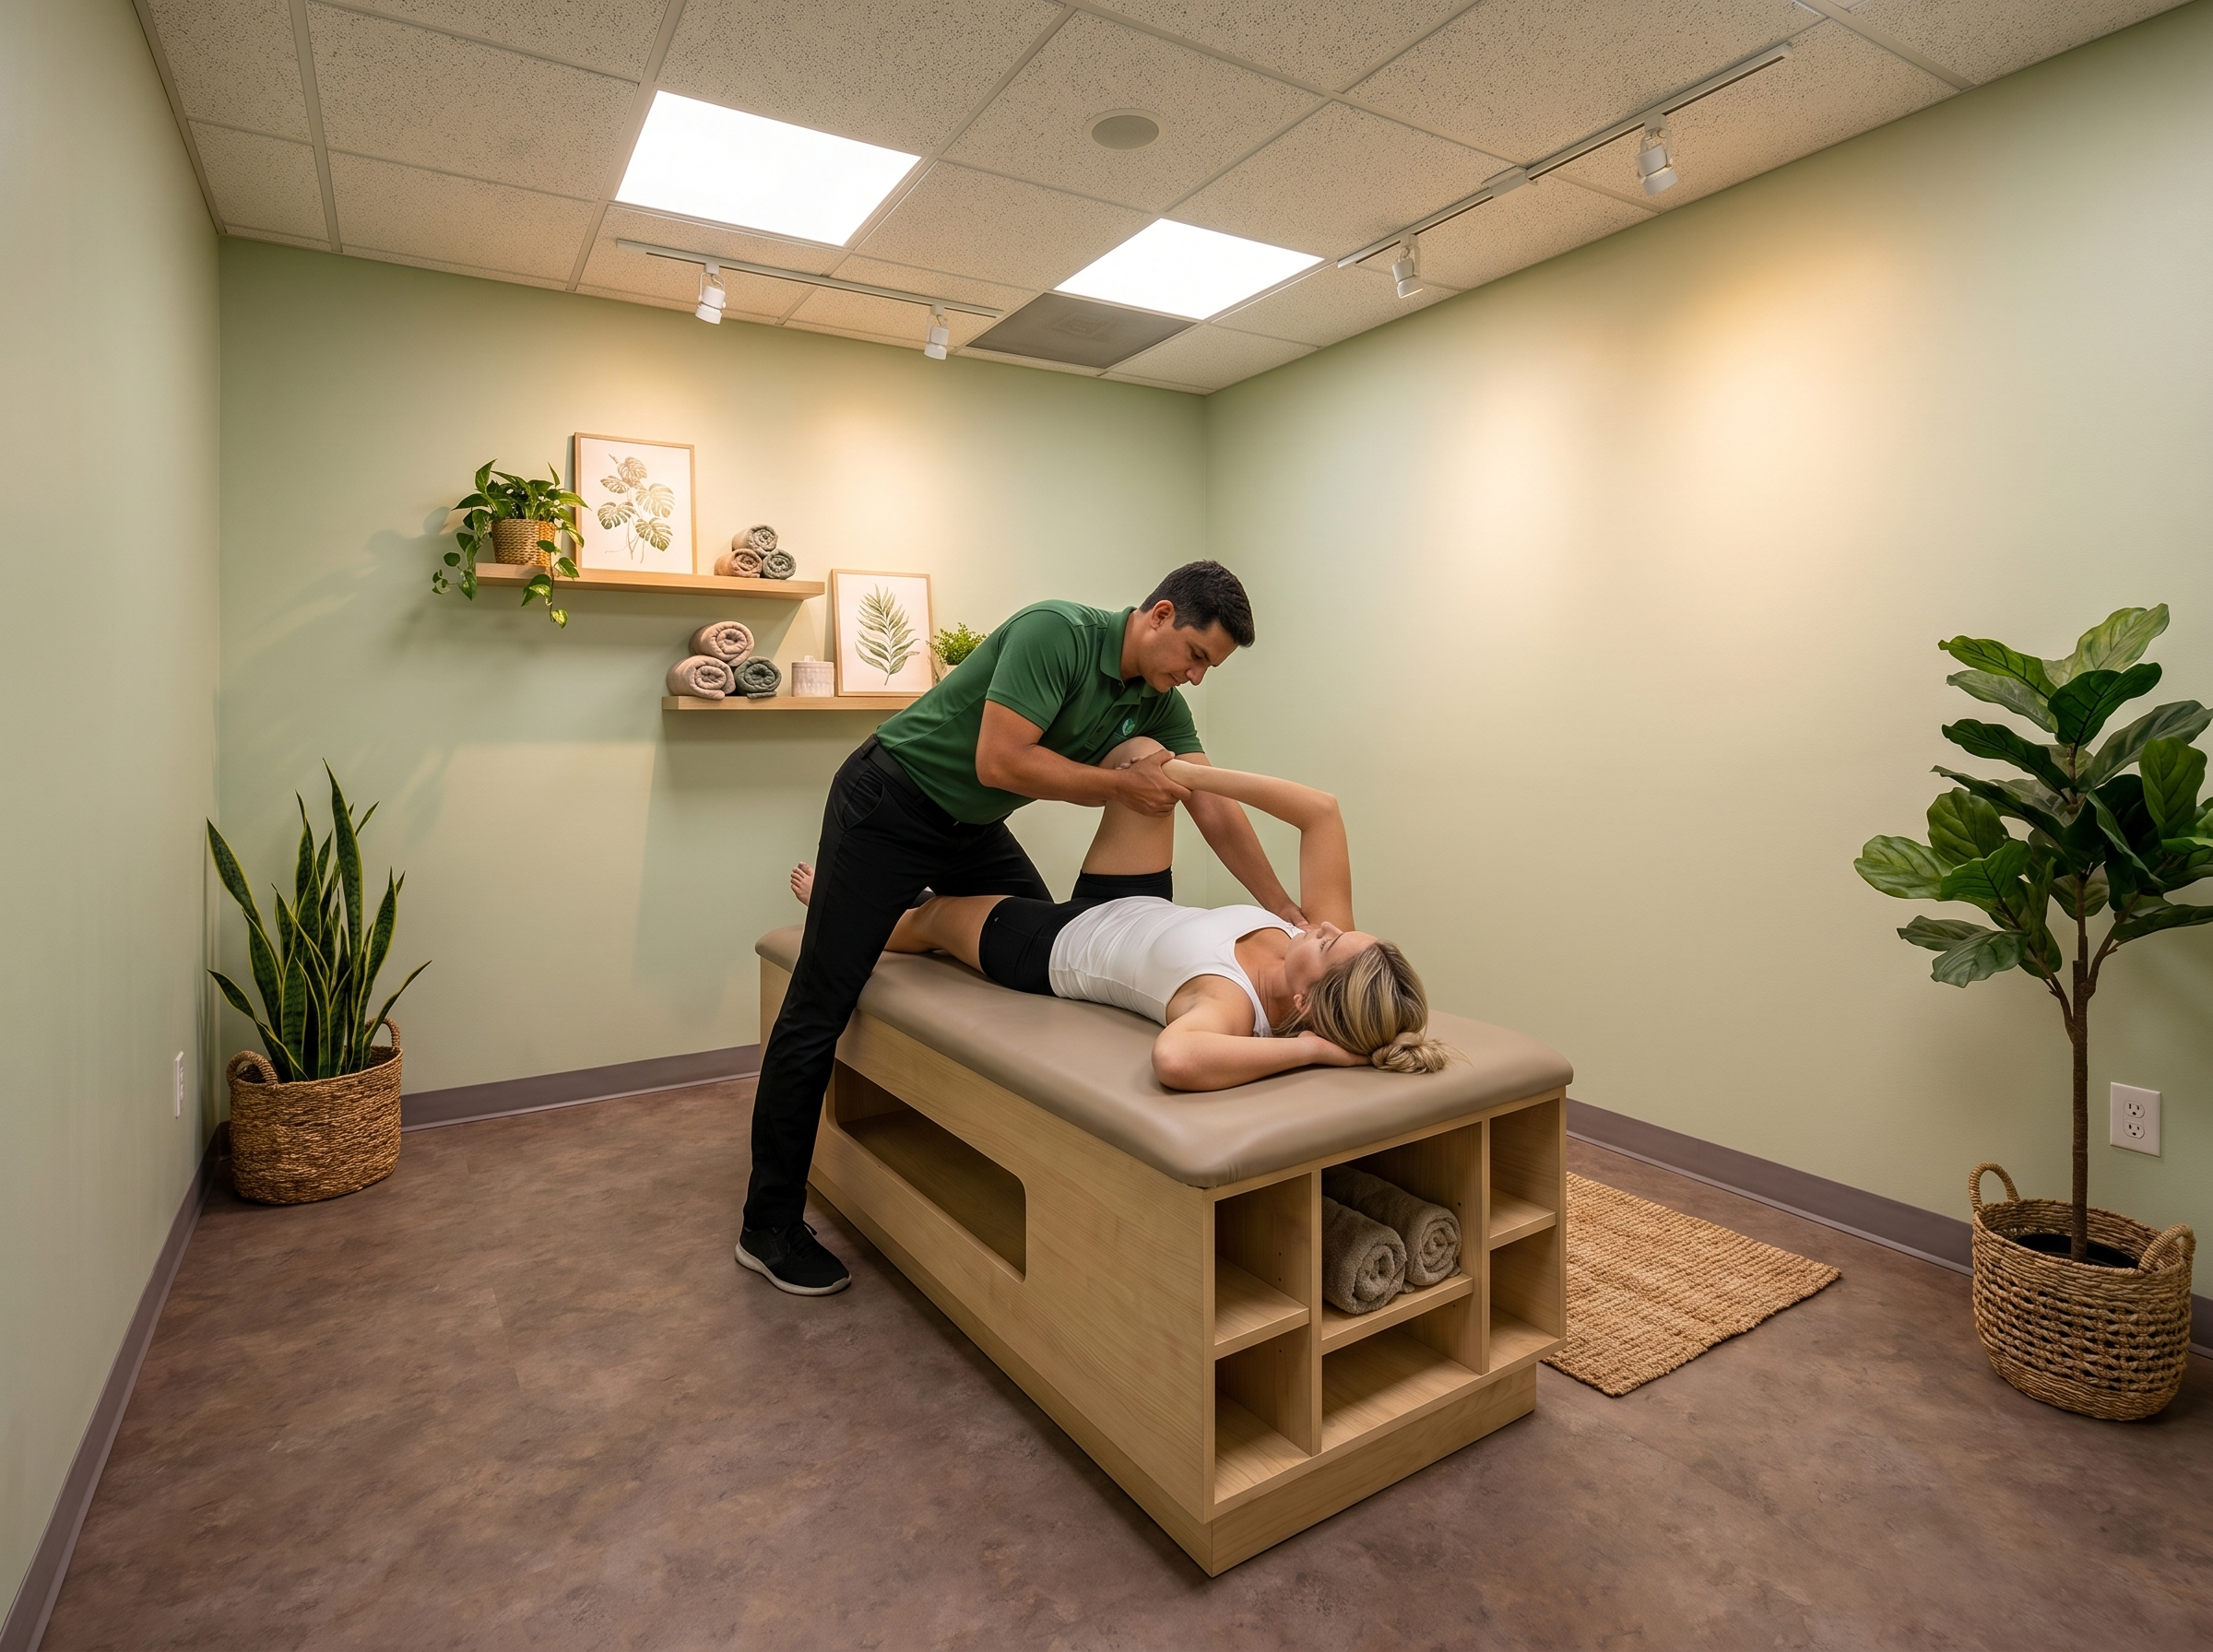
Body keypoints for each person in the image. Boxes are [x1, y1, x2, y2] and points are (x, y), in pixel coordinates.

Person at [740, 562, 1306, 1297]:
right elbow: (1000, 760)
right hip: (890, 803)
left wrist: (1283, 909)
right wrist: (1120, 785)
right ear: (1162, 615)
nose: (1196, 677)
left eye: (1210, 669)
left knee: (1040, 955)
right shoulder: (1057, 632)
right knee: (822, 1002)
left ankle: (885, 906)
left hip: (970, 828)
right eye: (1197, 656)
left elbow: (1213, 805)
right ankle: (768, 1227)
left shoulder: (1157, 700)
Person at [792, 737, 1451, 1092]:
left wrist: (1309, 1053)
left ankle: (843, 901)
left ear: (1304, 1003)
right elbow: (1321, 812)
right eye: (1342, 931)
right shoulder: (1319, 945)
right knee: (1143, 753)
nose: (1327, 926)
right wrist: (1193, 780)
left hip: (1053, 945)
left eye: (1329, 943)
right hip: (1132, 900)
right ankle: (870, 890)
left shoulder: (1228, 1005)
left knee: (930, 921)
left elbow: (1177, 1060)